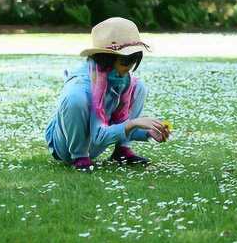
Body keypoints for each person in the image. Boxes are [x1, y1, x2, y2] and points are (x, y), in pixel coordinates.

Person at [45, 17, 170, 171]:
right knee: (75, 98)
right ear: (107, 59)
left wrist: (148, 133)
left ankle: (122, 151)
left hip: (97, 139)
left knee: (139, 86)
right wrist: (134, 123)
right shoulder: (80, 86)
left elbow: (115, 124)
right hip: (66, 147)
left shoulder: (121, 79)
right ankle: (79, 157)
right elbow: (99, 137)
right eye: (125, 62)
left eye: (132, 61)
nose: (128, 70)